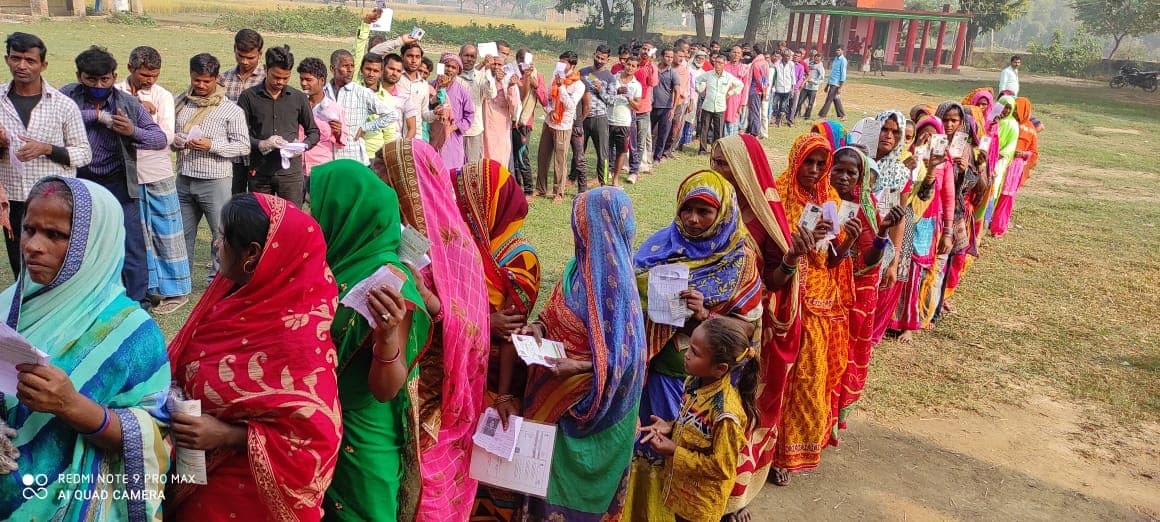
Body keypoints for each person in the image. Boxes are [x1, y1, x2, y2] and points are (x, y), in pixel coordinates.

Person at [0, 177, 170, 521]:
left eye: (55, 235)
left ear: (93, 243)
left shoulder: (131, 332)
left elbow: (156, 435)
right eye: (29, 229)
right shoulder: (6, 307)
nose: (33, 246)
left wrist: (70, 404)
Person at [166, 193, 340, 521]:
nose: (216, 244)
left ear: (252, 253)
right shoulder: (229, 299)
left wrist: (227, 435)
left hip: (250, 492)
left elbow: (315, 439)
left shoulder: (299, 339)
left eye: (223, 237)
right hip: (196, 474)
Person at [622, 170, 763, 521]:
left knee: (692, 447)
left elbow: (746, 328)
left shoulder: (739, 257)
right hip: (655, 367)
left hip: (702, 377)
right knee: (649, 440)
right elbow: (629, 290)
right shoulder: (660, 245)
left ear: (723, 213)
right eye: (687, 209)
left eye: (705, 211)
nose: (693, 219)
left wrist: (705, 315)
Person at [310, 160, 433, 521]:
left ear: (346, 214)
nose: (310, 217)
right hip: (319, 424)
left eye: (317, 207)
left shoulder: (389, 282)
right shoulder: (333, 265)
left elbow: (385, 389)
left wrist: (386, 336)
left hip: (361, 437)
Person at [373, 139, 490, 520]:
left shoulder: (457, 244)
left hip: (436, 393)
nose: (374, 175)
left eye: (382, 170)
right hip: (392, 375)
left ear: (408, 182)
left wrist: (428, 299)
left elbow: (472, 326)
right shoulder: (387, 230)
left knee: (430, 486)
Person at [520, 187, 645, 520]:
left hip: (593, 409)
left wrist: (576, 367)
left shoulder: (618, 285)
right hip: (554, 402)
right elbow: (552, 312)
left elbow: (628, 361)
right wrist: (539, 327)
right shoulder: (576, 269)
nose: (577, 230)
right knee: (547, 483)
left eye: (583, 224)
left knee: (579, 499)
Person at [709, 135, 809, 516]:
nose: (717, 170)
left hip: (748, 332)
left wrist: (791, 259)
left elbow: (774, 280)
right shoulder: (707, 205)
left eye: (724, 164)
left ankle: (734, 494)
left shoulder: (762, 218)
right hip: (704, 326)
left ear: (744, 169)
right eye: (715, 161)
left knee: (738, 408)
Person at [453, 160, 542, 521]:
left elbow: (511, 331)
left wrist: (504, 394)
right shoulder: (465, 246)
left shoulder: (519, 257)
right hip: (463, 365)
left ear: (489, 203)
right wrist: (484, 323)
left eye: (469, 200)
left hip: (496, 376)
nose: (462, 207)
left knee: (492, 462)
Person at [772, 133, 859, 479]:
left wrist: (848, 240)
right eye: (808, 161)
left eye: (821, 164)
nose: (814, 169)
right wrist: (797, 247)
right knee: (780, 378)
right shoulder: (778, 196)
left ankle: (789, 454)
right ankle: (770, 451)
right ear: (796, 160)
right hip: (786, 296)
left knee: (809, 378)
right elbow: (769, 252)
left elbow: (833, 259)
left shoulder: (830, 199)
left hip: (821, 306)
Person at [61, 46, 168, 310]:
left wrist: (132, 131)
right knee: (79, 243)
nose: (98, 86)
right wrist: (97, 116)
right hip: (79, 181)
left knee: (132, 244)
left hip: (118, 181)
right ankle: (82, 301)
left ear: (114, 76)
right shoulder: (67, 97)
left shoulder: (128, 104)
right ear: (79, 76)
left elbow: (159, 139)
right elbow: (55, 122)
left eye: (105, 79)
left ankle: (137, 302)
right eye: (91, 79)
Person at [637, 317, 759, 522]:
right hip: (682, 492)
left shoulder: (726, 414)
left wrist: (675, 451)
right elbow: (698, 427)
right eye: (689, 347)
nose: (686, 355)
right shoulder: (693, 382)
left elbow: (721, 467)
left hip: (701, 503)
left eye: (695, 352)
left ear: (720, 368)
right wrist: (671, 426)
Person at [828, 146, 904, 441]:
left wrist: (882, 232)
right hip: (817, 290)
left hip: (850, 297)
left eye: (852, 173)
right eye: (838, 170)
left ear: (861, 177)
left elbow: (868, 262)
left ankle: (830, 421)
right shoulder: (818, 201)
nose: (844, 177)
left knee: (839, 360)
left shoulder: (863, 207)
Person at [0, 32, 91, 276]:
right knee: (22, 268)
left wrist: (47, 148)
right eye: (16, 58)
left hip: (55, 203)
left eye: (30, 60)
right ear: (7, 60)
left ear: (43, 65)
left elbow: (84, 154)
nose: (22, 66)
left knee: (57, 268)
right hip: (14, 201)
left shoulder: (63, 105)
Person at [115, 45, 192, 314]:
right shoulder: (116, 91)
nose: (150, 80)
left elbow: (166, 136)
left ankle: (176, 291)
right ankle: (146, 287)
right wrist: (137, 109)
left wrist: (136, 122)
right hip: (125, 172)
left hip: (157, 171)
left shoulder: (163, 96)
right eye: (145, 74)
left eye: (154, 75)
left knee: (166, 231)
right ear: (130, 68)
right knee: (136, 233)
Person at [173, 53, 250, 284]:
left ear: (217, 78)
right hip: (184, 178)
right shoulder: (180, 102)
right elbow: (167, 135)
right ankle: (180, 283)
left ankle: (217, 284)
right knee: (181, 235)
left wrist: (211, 145)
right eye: (196, 80)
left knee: (221, 236)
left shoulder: (231, 110)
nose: (201, 85)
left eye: (207, 81)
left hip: (215, 181)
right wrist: (177, 140)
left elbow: (243, 146)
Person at [890, 115, 954, 342]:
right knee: (897, 268)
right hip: (902, 218)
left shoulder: (943, 162)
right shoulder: (904, 157)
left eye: (932, 135)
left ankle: (908, 323)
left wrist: (948, 231)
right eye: (923, 133)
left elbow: (946, 197)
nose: (927, 138)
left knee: (916, 274)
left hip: (925, 221)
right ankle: (890, 318)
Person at [237, 45, 320, 207]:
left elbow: (313, 131)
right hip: (259, 172)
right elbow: (239, 135)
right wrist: (261, 143)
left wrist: (303, 146)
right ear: (266, 69)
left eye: (285, 78)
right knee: (260, 217)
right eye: (276, 77)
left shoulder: (298, 98)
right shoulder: (248, 97)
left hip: (290, 175)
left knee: (291, 218)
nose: (280, 82)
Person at [324, 49, 396, 165]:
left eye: (352, 66)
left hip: (353, 157)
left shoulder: (362, 93)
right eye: (345, 66)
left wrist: (365, 127)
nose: (350, 70)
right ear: (333, 68)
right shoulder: (323, 93)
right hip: (327, 157)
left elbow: (391, 115)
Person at [219, 29, 266, 194]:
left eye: (250, 57)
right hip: (231, 154)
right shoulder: (223, 79)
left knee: (256, 202)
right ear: (234, 49)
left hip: (258, 153)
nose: (245, 62)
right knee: (231, 199)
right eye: (240, 56)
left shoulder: (267, 80)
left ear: (260, 54)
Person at [535, 51, 585, 203]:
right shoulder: (555, 76)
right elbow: (548, 98)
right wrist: (549, 111)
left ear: (572, 65)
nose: (560, 65)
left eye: (564, 63)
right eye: (560, 62)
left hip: (563, 126)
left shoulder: (578, 85)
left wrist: (561, 86)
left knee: (560, 160)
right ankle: (541, 188)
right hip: (549, 122)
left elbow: (570, 105)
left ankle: (559, 192)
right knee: (543, 156)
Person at [297, 57, 347, 185]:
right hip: (295, 168)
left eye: (308, 80)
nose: (303, 83)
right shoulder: (295, 105)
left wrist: (338, 132)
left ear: (322, 80)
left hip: (321, 169)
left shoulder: (334, 109)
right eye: (301, 79)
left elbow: (342, 142)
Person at [990, 96, 1034, 237]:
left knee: (1005, 196)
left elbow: (1034, 152)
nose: (1013, 112)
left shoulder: (1028, 128)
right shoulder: (997, 120)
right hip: (997, 163)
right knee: (991, 192)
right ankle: (988, 220)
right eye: (1012, 109)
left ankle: (998, 227)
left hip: (1012, 167)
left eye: (1016, 109)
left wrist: (1023, 154)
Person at [427, 53, 474, 171]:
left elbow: (469, 115)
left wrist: (454, 127)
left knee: (451, 171)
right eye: (447, 66)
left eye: (453, 67)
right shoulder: (429, 86)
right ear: (441, 67)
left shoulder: (462, 91)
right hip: (431, 135)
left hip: (452, 138)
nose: (449, 70)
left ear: (458, 71)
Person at [579, 45, 615, 186]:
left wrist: (601, 90)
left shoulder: (610, 78)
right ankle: (573, 177)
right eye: (598, 57)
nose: (599, 60)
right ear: (594, 54)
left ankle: (603, 181)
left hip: (600, 118)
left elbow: (611, 101)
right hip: (583, 117)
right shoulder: (583, 72)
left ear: (607, 60)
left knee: (602, 153)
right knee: (579, 149)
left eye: (603, 59)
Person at [479, 43, 519, 167]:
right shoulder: (484, 76)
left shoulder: (508, 80)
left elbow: (515, 108)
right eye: (494, 64)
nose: (496, 67)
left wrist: (510, 86)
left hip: (500, 131)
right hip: (483, 128)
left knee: (499, 163)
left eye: (499, 64)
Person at [695, 55, 743, 155]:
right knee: (704, 129)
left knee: (718, 130)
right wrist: (700, 89)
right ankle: (702, 149)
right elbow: (697, 80)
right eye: (716, 62)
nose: (717, 65)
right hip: (708, 105)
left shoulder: (728, 76)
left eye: (720, 63)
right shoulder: (708, 74)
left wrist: (730, 93)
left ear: (724, 64)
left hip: (720, 107)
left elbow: (740, 85)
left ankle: (716, 150)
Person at [512, 48, 542, 197]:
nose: (527, 64)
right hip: (511, 120)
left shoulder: (536, 75)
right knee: (513, 156)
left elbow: (544, 99)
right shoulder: (512, 74)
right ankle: (517, 187)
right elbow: (519, 96)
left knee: (522, 155)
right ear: (518, 60)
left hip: (525, 122)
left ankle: (528, 189)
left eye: (530, 61)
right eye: (524, 61)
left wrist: (533, 82)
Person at [609, 55, 642, 187]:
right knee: (605, 151)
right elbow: (604, 95)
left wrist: (629, 98)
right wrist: (616, 92)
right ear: (624, 64)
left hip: (624, 122)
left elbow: (638, 106)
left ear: (637, 68)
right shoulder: (613, 78)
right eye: (628, 64)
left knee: (621, 151)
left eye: (633, 66)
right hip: (608, 120)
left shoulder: (636, 85)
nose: (630, 68)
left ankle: (615, 179)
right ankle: (603, 177)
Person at [632, 43, 660, 176]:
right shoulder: (634, 64)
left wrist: (651, 63)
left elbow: (653, 83)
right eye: (644, 49)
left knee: (642, 140)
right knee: (628, 139)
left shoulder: (651, 67)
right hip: (630, 106)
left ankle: (639, 167)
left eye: (649, 50)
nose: (646, 52)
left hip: (644, 109)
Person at [651, 47, 680, 164]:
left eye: (671, 57)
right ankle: (644, 155)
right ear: (662, 57)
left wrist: (673, 109)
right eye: (667, 56)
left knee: (663, 135)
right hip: (651, 106)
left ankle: (657, 157)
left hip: (666, 109)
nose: (669, 59)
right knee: (647, 133)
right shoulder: (653, 69)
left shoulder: (673, 73)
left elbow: (677, 91)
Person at [723, 46, 751, 137]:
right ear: (730, 54)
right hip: (723, 97)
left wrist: (742, 104)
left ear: (741, 55)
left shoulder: (744, 68)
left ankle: (731, 140)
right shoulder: (724, 66)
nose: (736, 55)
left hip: (736, 99)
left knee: (733, 119)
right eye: (734, 52)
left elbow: (745, 87)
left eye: (738, 53)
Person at [745, 44, 769, 137]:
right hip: (761, 90)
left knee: (754, 111)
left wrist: (763, 89)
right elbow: (765, 78)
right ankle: (752, 129)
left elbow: (759, 79)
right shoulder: (765, 62)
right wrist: (764, 90)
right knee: (755, 110)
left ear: (754, 52)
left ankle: (754, 131)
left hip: (755, 90)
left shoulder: (756, 63)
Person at [819, 46, 847, 119]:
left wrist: (840, 87)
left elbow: (843, 74)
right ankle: (842, 115)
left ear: (842, 51)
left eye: (839, 50)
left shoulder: (843, 60)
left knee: (829, 99)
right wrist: (827, 85)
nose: (837, 52)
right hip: (832, 82)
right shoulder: (835, 59)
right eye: (836, 50)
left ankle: (822, 115)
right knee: (836, 99)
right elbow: (832, 73)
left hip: (836, 83)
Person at [771, 50, 797, 127]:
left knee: (783, 106)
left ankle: (779, 120)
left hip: (787, 88)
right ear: (783, 56)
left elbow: (793, 76)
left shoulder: (791, 64)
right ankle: (775, 117)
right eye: (786, 56)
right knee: (774, 104)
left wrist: (792, 88)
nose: (788, 57)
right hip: (778, 88)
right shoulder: (777, 64)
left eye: (789, 56)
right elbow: (774, 76)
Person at [796, 51, 824, 120]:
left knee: (810, 103)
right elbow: (805, 72)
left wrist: (813, 81)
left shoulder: (821, 68)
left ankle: (807, 117)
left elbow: (821, 79)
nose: (816, 60)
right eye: (815, 59)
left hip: (813, 88)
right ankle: (794, 114)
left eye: (818, 59)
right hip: (805, 86)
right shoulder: (809, 64)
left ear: (821, 60)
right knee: (799, 102)